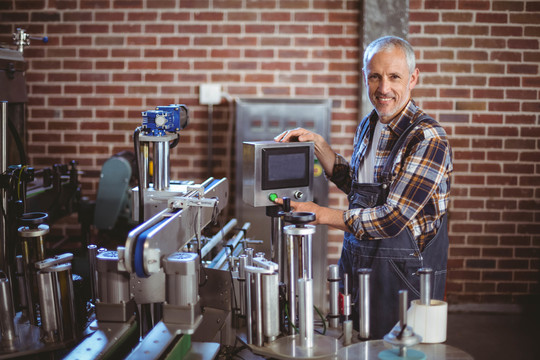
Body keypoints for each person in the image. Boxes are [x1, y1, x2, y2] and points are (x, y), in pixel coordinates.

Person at [273, 36, 453, 339]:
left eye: (394, 77)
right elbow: (358, 188)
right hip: (359, 260)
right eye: (375, 77)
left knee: (401, 352)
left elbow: (393, 217)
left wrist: (320, 214)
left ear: (413, 78)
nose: (383, 89)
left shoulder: (427, 137)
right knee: (355, 342)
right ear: (365, 77)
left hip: (404, 275)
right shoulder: (369, 125)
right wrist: (319, 145)